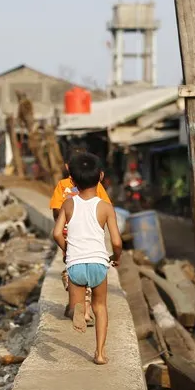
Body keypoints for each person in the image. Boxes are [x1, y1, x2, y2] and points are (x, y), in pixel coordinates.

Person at [53, 152, 123, 365]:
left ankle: (78, 309)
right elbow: (117, 242)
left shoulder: (68, 204)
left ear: (72, 180)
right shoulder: (105, 207)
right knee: (100, 307)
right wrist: (115, 257)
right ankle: (100, 354)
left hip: (75, 264)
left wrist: (67, 251)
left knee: (77, 295)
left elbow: (57, 233)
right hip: (98, 264)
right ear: (101, 176)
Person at [49, 152, 112, 323]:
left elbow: (56, 211)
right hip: (90, 236)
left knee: (72, 268)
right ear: (99, 173)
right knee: (91, 270)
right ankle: (84, 308)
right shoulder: (96, 185)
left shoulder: (62, 186)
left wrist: (66, 218)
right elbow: (104, 207)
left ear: (68, 167)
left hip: (68, 234)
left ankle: (78, 307)